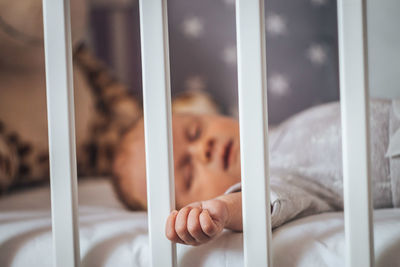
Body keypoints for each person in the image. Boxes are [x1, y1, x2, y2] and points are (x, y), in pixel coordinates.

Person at [112, 98, 400, 246]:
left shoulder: (282, 129)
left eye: (196, 131)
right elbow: (268, 200)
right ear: (188, 206)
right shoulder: (274, 174)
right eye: (188, 174)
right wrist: (222, 208)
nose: (203, 149)